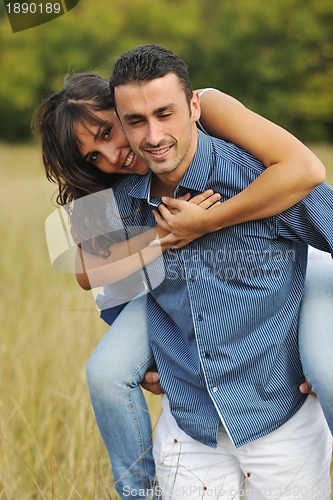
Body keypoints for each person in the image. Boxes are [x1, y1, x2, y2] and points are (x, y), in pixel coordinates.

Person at [37, 71, 330, 499]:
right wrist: (163, 238)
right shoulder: (115, 188)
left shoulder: (207, 108)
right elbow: (87, 271)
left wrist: (207, 221)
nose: (111, 155)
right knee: (107, 372)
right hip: (179, 271)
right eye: (93, 157)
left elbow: (304, 171)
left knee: (326, 368)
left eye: (107, 132)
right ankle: (142, 492)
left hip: (292, 249)